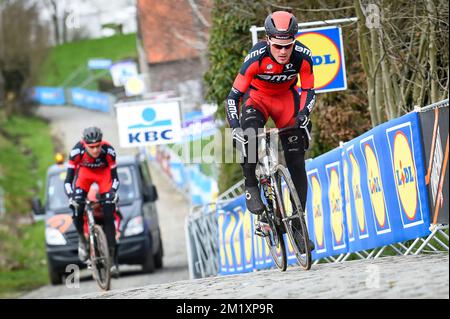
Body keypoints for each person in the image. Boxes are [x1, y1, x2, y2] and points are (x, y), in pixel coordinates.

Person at [226, 11, 316, 243]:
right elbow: (232, 97)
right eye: (278, 46)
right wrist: (235, 127)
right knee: (250, 136)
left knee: (297, 160)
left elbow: (308, 90)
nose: (283, 52)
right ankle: (251, 185)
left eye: (288, 46)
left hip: (285, 100)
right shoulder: (255, 58)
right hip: (257, 100)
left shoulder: (303, 57)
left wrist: (304, 114)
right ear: (268, 40)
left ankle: (297, 224)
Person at [64, 127, 120, 275]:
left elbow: (114, 178)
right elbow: (68, 180)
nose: (95, 150)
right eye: (91, 147)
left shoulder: (109, 151)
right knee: (77, 208)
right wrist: (71, 196)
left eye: (98, 146)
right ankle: (82, 239)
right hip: (85, 176)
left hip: (103, 176)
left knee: (109, 214)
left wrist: (112, 192)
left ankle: (112, 260)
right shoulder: (77, 152)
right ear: (84, 144)